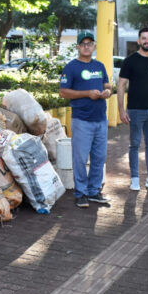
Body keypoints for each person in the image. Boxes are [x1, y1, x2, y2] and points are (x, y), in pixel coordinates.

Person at [59, 31, 112, 208]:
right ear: (78, 47)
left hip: (100, 120)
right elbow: (63, 91)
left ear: (94, 46)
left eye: (90, 43)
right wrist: (87, 94)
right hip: (82, 120)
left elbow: (107, 84)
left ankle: (94, 191)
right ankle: (80, 193)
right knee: (80, 158)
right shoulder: (71, 67)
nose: (87, 46)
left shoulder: (99, 66)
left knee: (99, 158)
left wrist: (107, 92)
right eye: (83, 44)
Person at [117, 27, 148, 192]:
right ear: (138, 41)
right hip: (135, 111)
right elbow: (121, 85)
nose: (146, 41)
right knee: (135, 145)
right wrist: (121, 110)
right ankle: (135, 179)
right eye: (143, 38)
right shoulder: (130, 61)